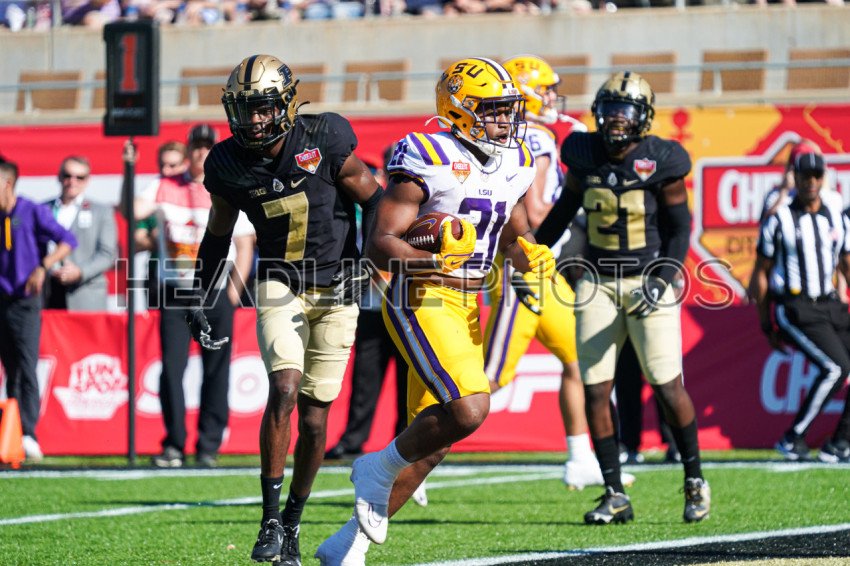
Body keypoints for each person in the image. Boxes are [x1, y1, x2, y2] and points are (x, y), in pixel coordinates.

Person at [315, 57, 556, 565]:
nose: (506, 119)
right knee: (469, 408)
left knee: (435, 440)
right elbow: (380, 243)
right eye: (492, 110)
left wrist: (527, 254)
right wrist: (433, 260)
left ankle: (346, 546)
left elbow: (509, 225)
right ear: (460, 110)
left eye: (507, 109)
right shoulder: (429, 154)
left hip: (468, 302)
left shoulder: (515, 158)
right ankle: (376, 467)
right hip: (420, 296)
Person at [184, 54, 383, 565]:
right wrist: (199, 294)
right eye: (244, 109)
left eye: (263, 107)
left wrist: (372, 261)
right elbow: (218, 234)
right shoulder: (227, 162)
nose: (253, 120)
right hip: (279, 283)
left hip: (338, 288)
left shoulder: (325, 137)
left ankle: (293, 521)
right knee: (285, 387)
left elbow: (375, 200)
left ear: (287, 104)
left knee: (315, 420)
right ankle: (269, 520)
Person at [534, 71, 711, 525]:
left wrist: (664, 277)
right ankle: (614, 492)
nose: (616, 119)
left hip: (647, 277)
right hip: (597, 282)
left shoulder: (662, 159)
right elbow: (564, 211)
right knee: (596, 389)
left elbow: (680, 228)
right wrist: (529, 252)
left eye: (626, 111)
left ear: (643, 117)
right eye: (611, 110)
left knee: (667, 384)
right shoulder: (583, 152)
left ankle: (694, 478)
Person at [482, 54, 635, 490]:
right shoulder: (534, 138)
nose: (552, 97)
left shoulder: (523, 135)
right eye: (546, 90)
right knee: (491, 378)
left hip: (542, 272)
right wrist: (585, 206)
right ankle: (409, 452)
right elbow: (534, 212)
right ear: (527, 92)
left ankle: (580, 457)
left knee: (579, 359)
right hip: (524, 270)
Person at [135, 124, 256, 470]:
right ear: (187, 150)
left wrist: (232, 294)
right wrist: (132, 171)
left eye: (207, 147)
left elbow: (245, 245)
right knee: (171, 370)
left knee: (216, 371)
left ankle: (208, 446)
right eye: (196, 147)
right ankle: (174, 444)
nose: (202, 152)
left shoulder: (228, 186)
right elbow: (132, 210)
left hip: (215, 294)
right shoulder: (164, 185)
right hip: (176, 293)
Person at [754, 151, 850, 464]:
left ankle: (841, 442)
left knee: (839, 367)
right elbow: (761, 273)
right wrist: (766, 323)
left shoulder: (835, 216)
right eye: (805, 176)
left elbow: (845, 263)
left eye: (816, 176)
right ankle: (792, 437)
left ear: (824, 178)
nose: (811, 182)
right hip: (795, 306)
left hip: (829, 303)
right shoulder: (779, 219)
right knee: (835, 368)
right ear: (794, 178)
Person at [324, 145, 410, 462]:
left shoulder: (420, 200)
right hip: (372, 304)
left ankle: (405, 441)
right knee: (364, 378)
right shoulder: (373, 200)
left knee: (408, 380)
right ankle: (353, 438)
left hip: (408, 305)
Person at [0, 159, 77, 462]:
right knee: (10, 367)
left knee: (26, 365)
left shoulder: (31, 210)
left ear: (7, 183)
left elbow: (67, 240)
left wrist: (43, 266)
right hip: (2, 299)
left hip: (26, 300)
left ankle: (29, 433)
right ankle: (11, 430)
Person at [41, 156, 117, 311]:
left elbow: (107, 254)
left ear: (87, 180)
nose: (72, 181)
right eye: (67, 175)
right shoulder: (42, 209)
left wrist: (80, 272)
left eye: (79, 177)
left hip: (85, 294)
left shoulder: (101, 212)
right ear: (59, 176)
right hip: (48, 291)